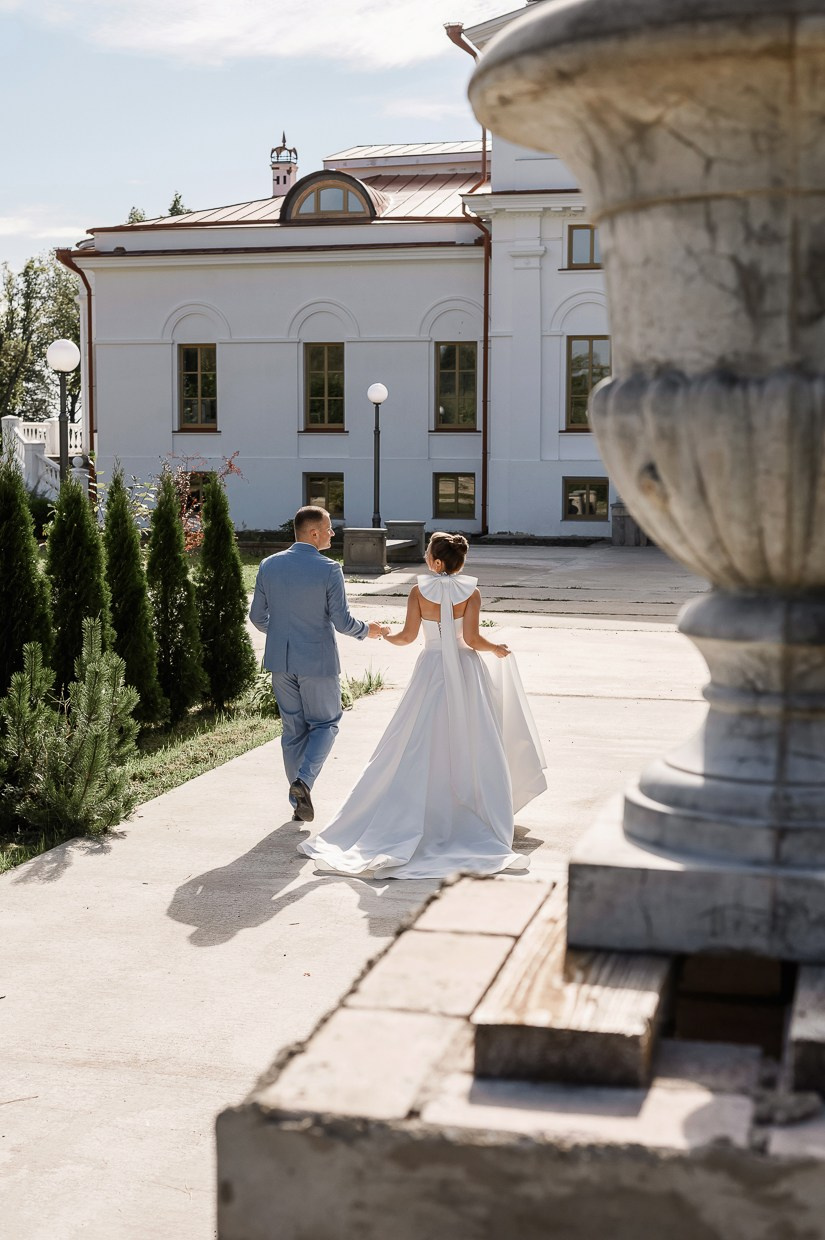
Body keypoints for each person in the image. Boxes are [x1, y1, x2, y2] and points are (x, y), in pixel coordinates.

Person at [299, 532, 547, 878]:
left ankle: (409, 812)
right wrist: (496, 648)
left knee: (416, 738)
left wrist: (383, 633)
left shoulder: (420, 592)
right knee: (472, 736)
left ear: (436, 562)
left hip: (430, 671)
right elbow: (473, 639)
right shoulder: (471, 593)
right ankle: (474, 808)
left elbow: (407, 637)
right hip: (465, 671)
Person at [249, 505, 388, 823]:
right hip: (316, 661)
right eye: (329, 528)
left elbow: (257, 617)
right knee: (326, 724)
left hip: (280, 661)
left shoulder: (268, 565)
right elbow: (342, 622)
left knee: (293, 730)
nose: (333, 533)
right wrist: (371, 631)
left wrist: (286, 630)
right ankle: (304, 783)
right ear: (314, 533)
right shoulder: (328, 569)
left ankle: (298, 801)